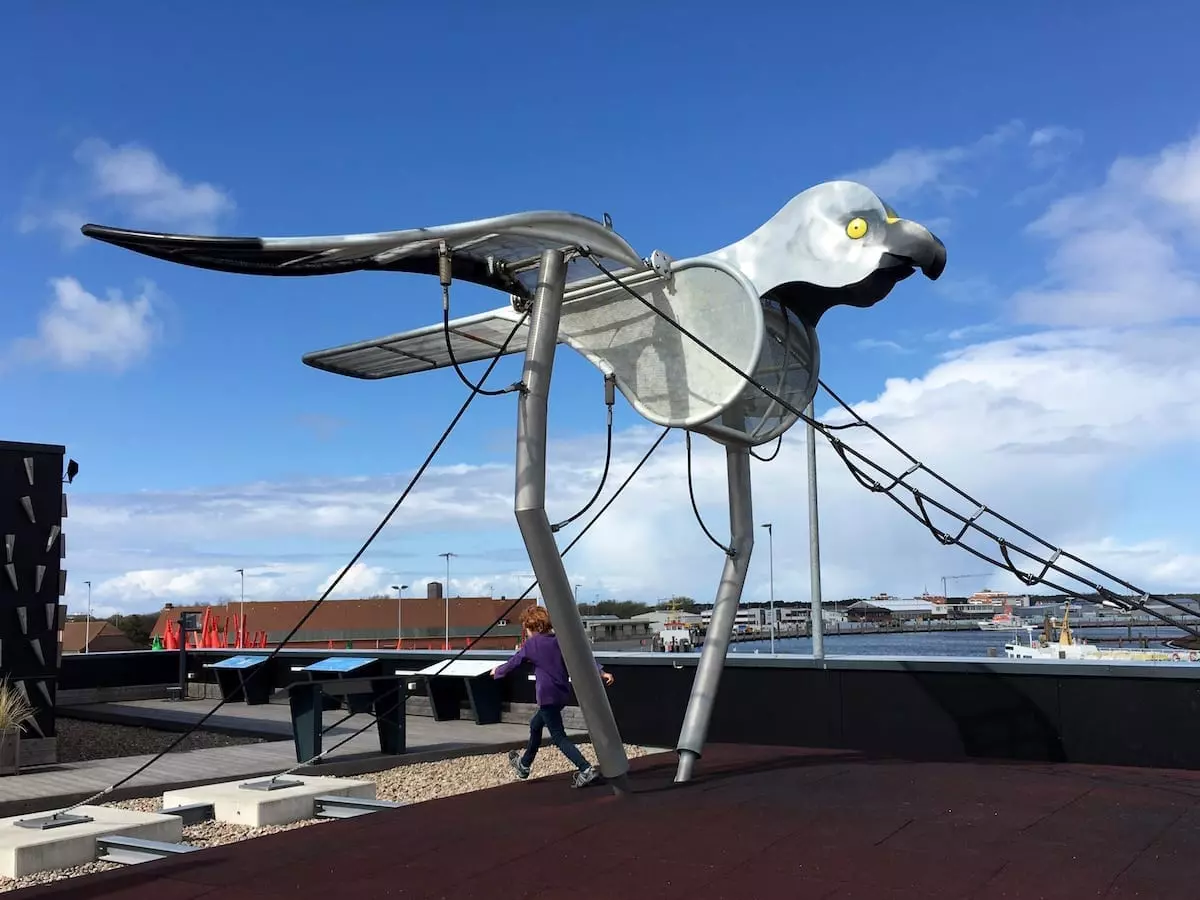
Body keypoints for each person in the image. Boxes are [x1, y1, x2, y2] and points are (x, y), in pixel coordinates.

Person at [491, 605, 615, 788]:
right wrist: (601, 672)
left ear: (532, 627)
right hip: (562, 694)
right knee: (535, 725)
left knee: (558, 736)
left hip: (546, 696)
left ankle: (585, 768)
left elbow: (514, 663)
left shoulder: (533, 644)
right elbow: (581, 658)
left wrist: (497, 671)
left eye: (526, 628)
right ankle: (524, 765)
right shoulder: (559, 641)